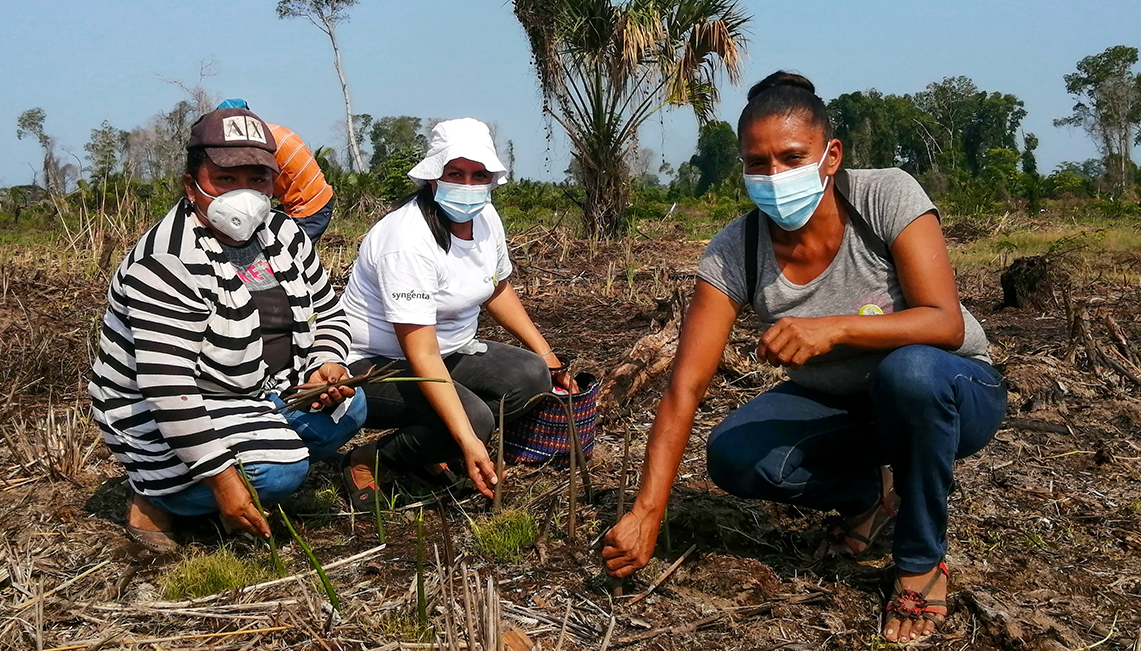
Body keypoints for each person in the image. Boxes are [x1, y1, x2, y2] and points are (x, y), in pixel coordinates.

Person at [601, 72, 1006, 644]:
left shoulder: (884, 196)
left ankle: (921, 560)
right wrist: (647, 510)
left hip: (952, 390)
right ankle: (871, 497)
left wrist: (834, 329)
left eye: (792, 157)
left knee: (908, 372)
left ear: (830, 155)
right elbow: (685, 386)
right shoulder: (736, 250)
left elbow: (944, 320)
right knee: (736, 456)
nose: (775, 176)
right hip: (841, 405)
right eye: (757, 163)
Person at [89, 106, 366, 553]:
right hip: (177, 408)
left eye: (258, 180)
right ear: (191, 185)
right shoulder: (168, 260)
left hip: (257, 389)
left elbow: (328, 311)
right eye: (226, 179)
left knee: (350, 408)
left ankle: (248, 462)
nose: (245, 194)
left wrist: (325, 362)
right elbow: (168, 386)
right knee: (281, 470)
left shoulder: (281, 231)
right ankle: (162, 497)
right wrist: (221, 477)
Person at [337, 118, 574, 508]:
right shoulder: (407, 240)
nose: (467, 186)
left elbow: (497, 287)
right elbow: (421, 354)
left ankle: (427, 452)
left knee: (530, 376)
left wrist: (547, 355)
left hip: (451, 350)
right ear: (433, 178)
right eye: (455, 174)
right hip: (375, 364)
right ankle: (370, 459)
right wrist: (467, 439)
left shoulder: (486, 219)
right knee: (475, 420)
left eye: (478, 175)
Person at [218, 99, 335, 242]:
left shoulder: (260, 146)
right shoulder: (271, 130)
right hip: (312, 197)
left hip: (308, 207)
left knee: (291, 256)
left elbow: (256, 190)